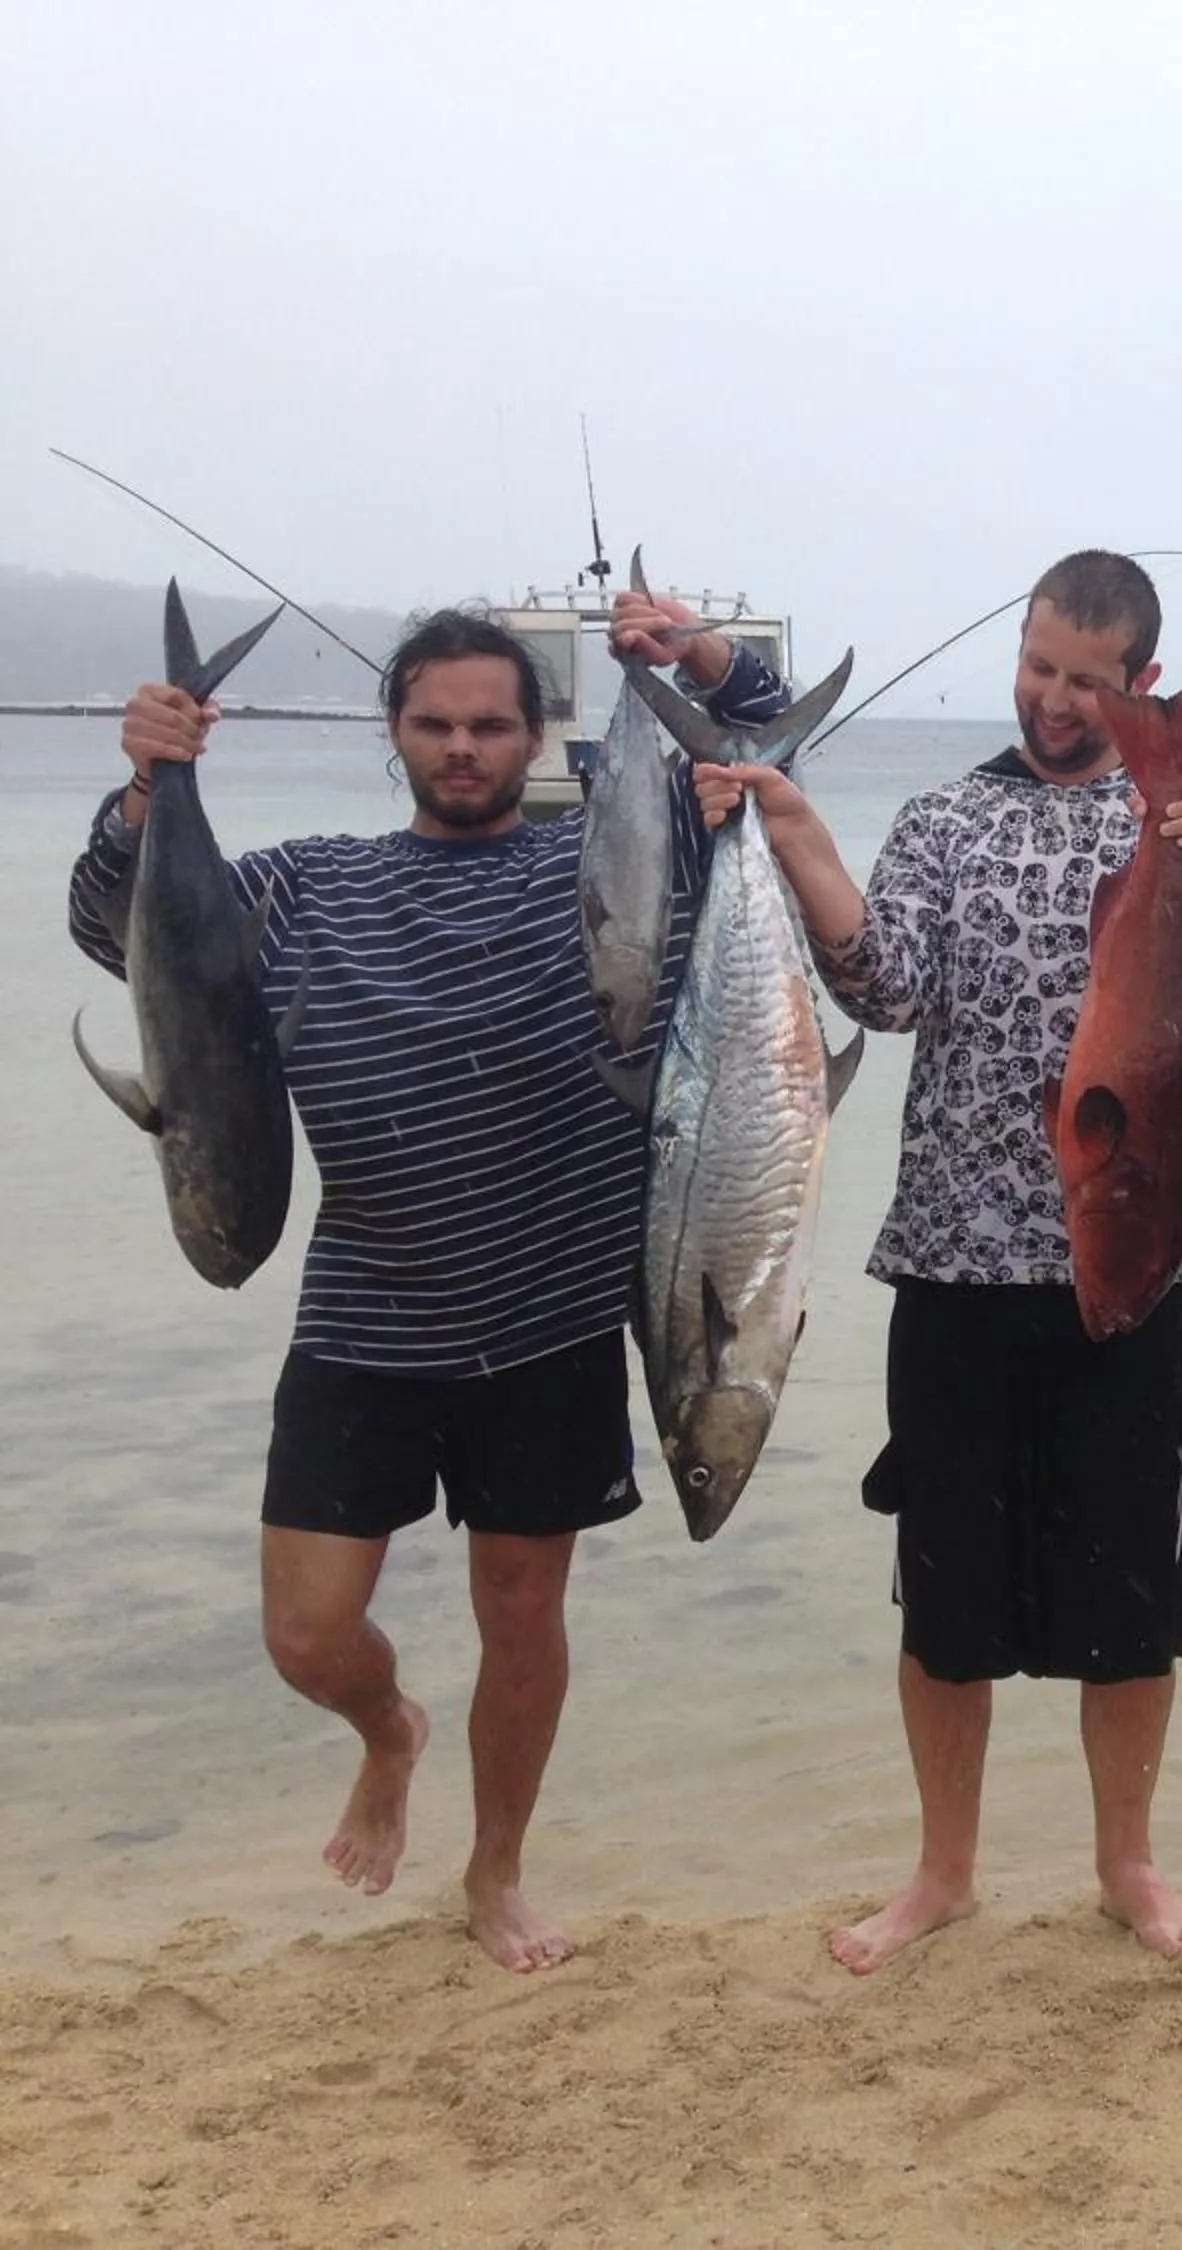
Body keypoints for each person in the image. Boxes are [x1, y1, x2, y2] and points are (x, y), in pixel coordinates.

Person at [65, 602, 784, 1972]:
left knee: (524, 1620)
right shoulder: (304, 889)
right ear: (395, 733)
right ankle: (390, 1729)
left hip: (557, 1320)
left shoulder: (618, 865)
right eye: (437, 724)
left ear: (538, 736)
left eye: (491, 724)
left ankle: (495, 1870)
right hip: (365, 1317)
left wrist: (694, 652)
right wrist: (143, 784)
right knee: (305, 1629)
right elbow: (120, 929)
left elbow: (765, 735)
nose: (464, 748)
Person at [670, 551, 1182, 1972]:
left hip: (1129, 1274)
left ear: (1142, 685)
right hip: (950, 1262)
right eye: (1041, 665)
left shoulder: (1170, 819)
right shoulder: (945, 820)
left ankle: (1128, 1863)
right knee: (947, 1599)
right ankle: (942, 1873)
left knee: (1130, 1598)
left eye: (1090, 679)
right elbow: (890, 984)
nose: (1056, 697)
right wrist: (799, 831)